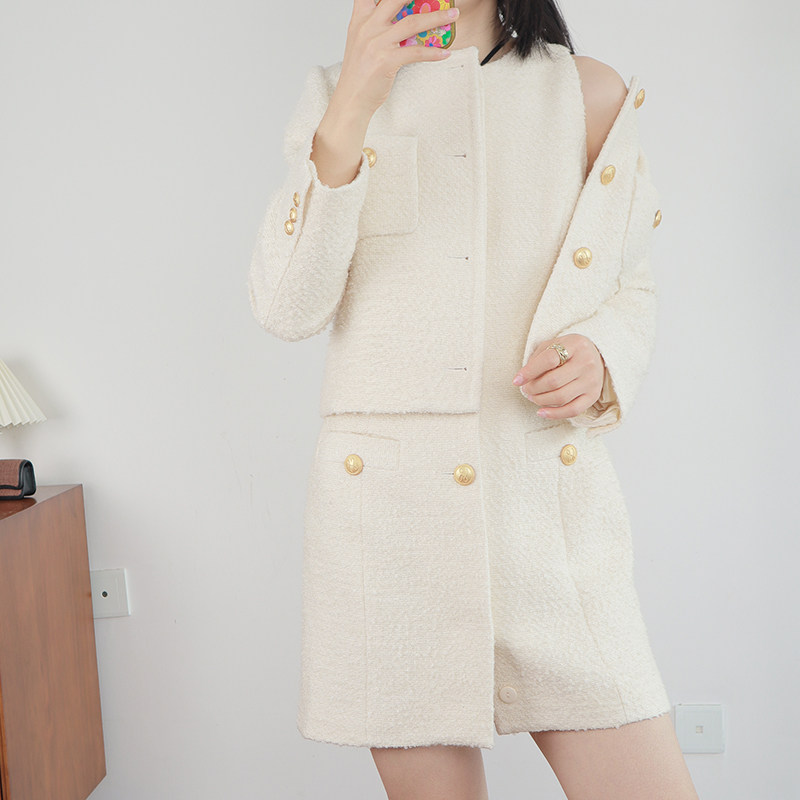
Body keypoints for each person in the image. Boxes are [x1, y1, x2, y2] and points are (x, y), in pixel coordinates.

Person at [247, 0, 701, 797]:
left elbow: (630, 285)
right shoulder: (334, 95)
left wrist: (601, 355)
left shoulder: (586, 93)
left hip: (548, 514)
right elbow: (287, 306)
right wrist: (352, 104)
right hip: (393, 529)